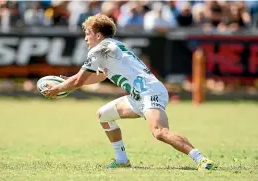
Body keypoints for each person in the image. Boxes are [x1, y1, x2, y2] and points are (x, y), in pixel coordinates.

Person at [42, 13, 215, 171]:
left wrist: (58, 89)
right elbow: (99, 77)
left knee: (159, 132)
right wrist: (69, 83)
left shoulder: (100, 49)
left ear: (98, 35)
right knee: (103, 115)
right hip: (138, 95)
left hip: (149, 91)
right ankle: (122, 159)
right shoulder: (113, 46)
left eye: (88, 33)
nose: (86, 38)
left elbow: (79, 80)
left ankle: (200, 159)